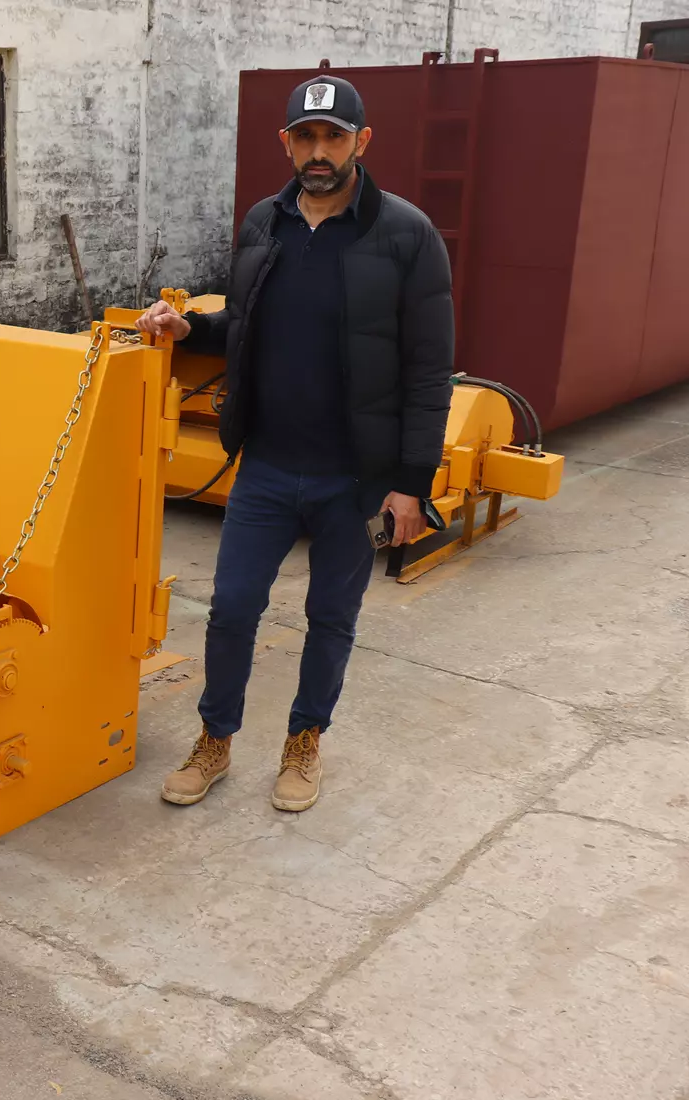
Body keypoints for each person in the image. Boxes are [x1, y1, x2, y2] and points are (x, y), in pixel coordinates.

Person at [139, 74, 453, 813]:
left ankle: (304, 742)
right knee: (231, 609)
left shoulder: (407, 235)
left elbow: (428, 370)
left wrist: (411, 483)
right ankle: (215, 739)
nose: (319, 151)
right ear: (286, 143)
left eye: (333, 137)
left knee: (331, 619)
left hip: (355, 478)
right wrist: (193, 328)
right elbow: (245, 323)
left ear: (360, 142)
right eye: (305, 137)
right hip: (268, 467)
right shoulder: (263, 222)